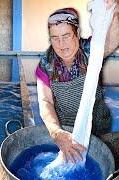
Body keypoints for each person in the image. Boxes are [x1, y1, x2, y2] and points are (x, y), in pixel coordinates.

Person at [36, 5, 119, 163]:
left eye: (66, 36)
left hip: (98, 127)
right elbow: (45, 101)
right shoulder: (46, 63)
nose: (61, 44)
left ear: (77, 34)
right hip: (67, 132)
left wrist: (114, 10)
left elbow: (112, 41)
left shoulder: (90, 51)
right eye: (55, 38)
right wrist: (56, 133)